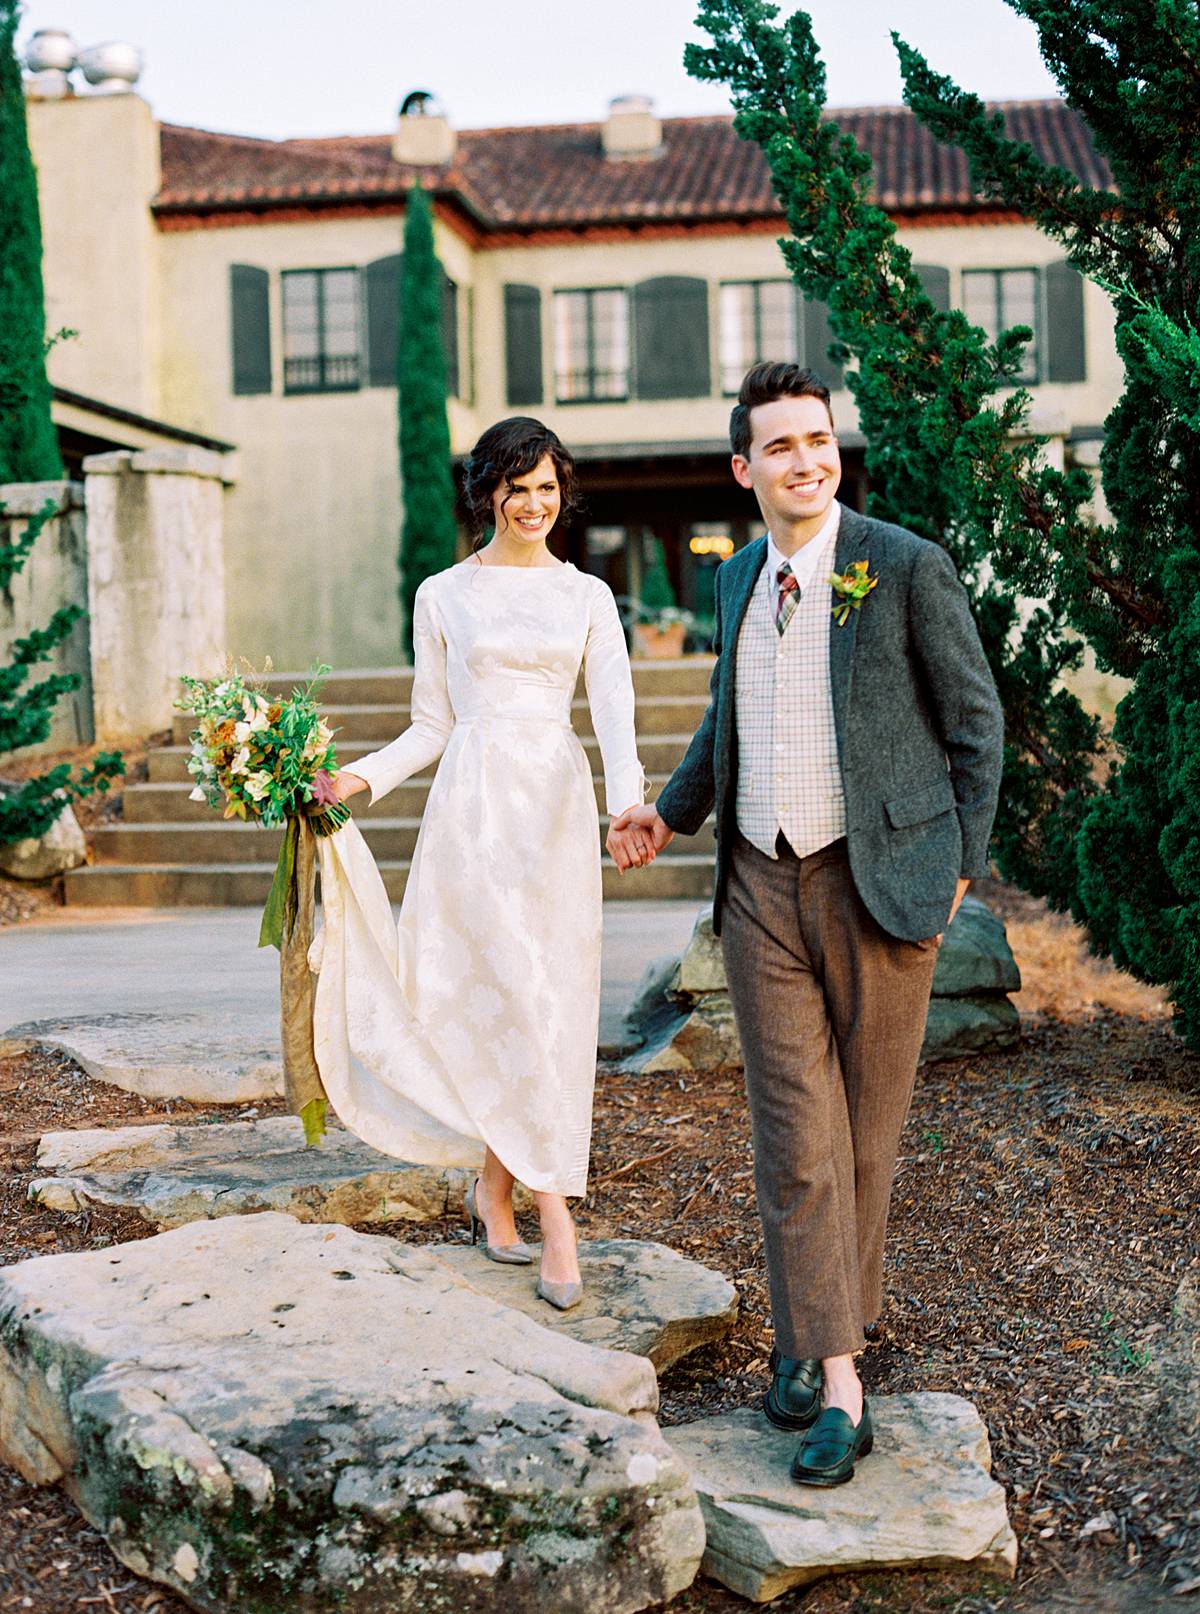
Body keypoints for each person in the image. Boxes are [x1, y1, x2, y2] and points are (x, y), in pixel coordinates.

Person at [615, 361, 1003, 1483]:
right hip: (759, 891)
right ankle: (841, 1383)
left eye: (818, 440)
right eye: (781, 446)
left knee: (866, 1143)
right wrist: (671, 811)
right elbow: (724, 717)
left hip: (882, 887)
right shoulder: (737, 578)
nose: (806, 460)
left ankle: (807, 1336)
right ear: (745, 468)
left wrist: (960, 871)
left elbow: (978, 727)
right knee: (797, 1141)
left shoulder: (904, 566)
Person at [314, 416, 651, 1310]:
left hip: (552, 813)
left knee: (548, 1005)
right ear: (487, 492)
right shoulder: (443, 595)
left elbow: (613, 710)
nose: (534, 504)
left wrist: (628, 806)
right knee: (493, 993)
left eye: (548, 487)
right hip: (471, 812)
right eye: (517, 486)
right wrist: (359, 779)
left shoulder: (587, 597)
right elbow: (432, 723)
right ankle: (557, 1217)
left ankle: (499, 1189)